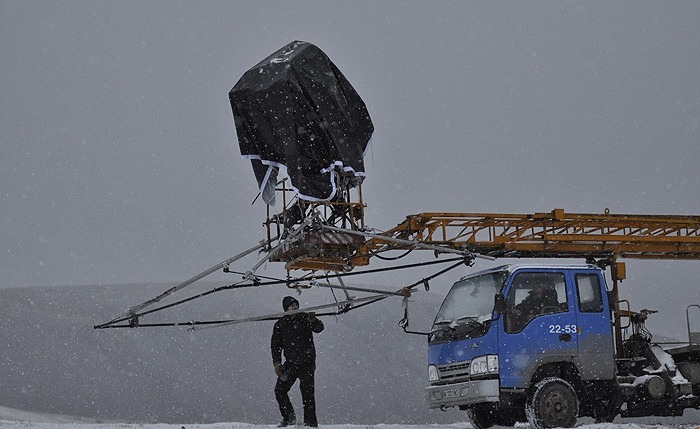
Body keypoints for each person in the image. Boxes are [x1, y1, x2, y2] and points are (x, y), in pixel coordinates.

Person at [271, 296, 324, 427]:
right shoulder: (281, 324)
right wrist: (277, 363)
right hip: (291, 363)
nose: (294, 307)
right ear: (286, 308)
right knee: (280, 390)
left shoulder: (305, 318)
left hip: (307, 363)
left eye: (295, 305)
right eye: (291, 306)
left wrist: (313, 320)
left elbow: (319, 328)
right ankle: (289, 418)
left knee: (308, 395)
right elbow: (275, 345)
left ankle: (310, 423)